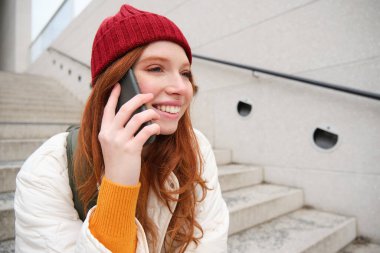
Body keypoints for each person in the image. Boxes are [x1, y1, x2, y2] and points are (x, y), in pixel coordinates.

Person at [14, 4, 229, 253]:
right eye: (156, 68)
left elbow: (210, 242)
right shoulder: (46, 171)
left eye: (185, 73)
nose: (181, 87)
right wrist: (118, 184)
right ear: (115, 83)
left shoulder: (196, 147)